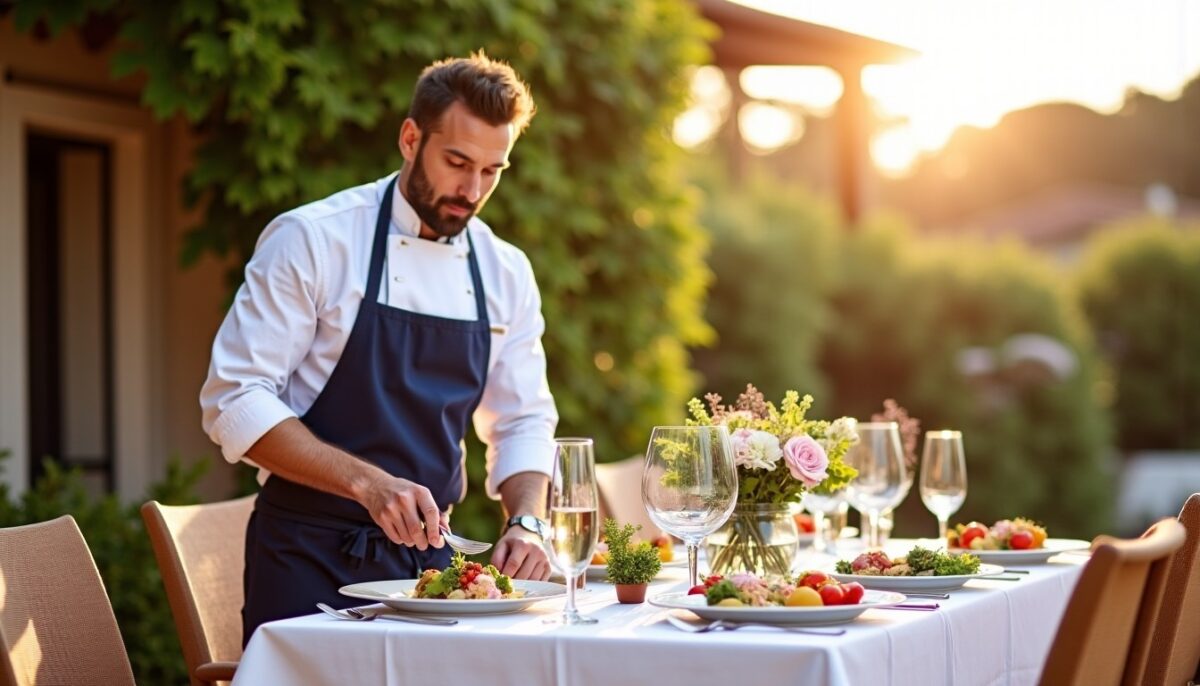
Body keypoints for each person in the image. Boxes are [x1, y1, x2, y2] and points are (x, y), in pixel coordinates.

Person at [199, 52, 557, 642]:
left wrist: (527, 521)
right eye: (457, 162)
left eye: (492, 171)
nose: (472, 190)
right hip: (306, 561)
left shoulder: (505, 271)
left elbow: (522, 420)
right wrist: (368, 484)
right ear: (410, 139)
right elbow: (235, 399)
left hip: (433, 575)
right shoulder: (313, 240)